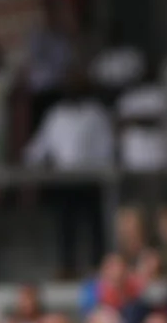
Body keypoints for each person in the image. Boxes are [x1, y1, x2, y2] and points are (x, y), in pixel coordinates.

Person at [23, 76, 114, 275]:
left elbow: (106, 145)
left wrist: (101, 168)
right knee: (65, 224)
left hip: (89, 176)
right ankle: (67, 266)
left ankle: (98, 265)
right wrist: (29, 160)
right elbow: (41, 144)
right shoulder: (56, 114)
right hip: (64, 178)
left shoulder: (95, 112)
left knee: (94, 223)